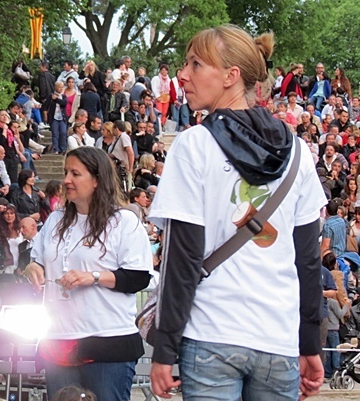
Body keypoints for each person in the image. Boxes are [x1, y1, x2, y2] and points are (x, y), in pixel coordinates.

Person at [148, 25, 327, 400]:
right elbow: (307, 261)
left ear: (231, 76)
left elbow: (181, 257)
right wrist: (310, 343)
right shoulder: (298, 152)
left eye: (196, 64)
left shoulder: (194, 145)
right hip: (277, 338)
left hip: (212, 332)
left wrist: (164, 348)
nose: (183, 74)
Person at [25, 147, 152, 401]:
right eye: (65, 173)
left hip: (107, 341)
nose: (67, 180)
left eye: (75, 173)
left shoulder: (123, 222)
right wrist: (33, 268)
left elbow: (138, 277)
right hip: (58, 340)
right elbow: (35, 259)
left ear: (97, 180)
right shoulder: (55, 220)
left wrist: (92, 276)